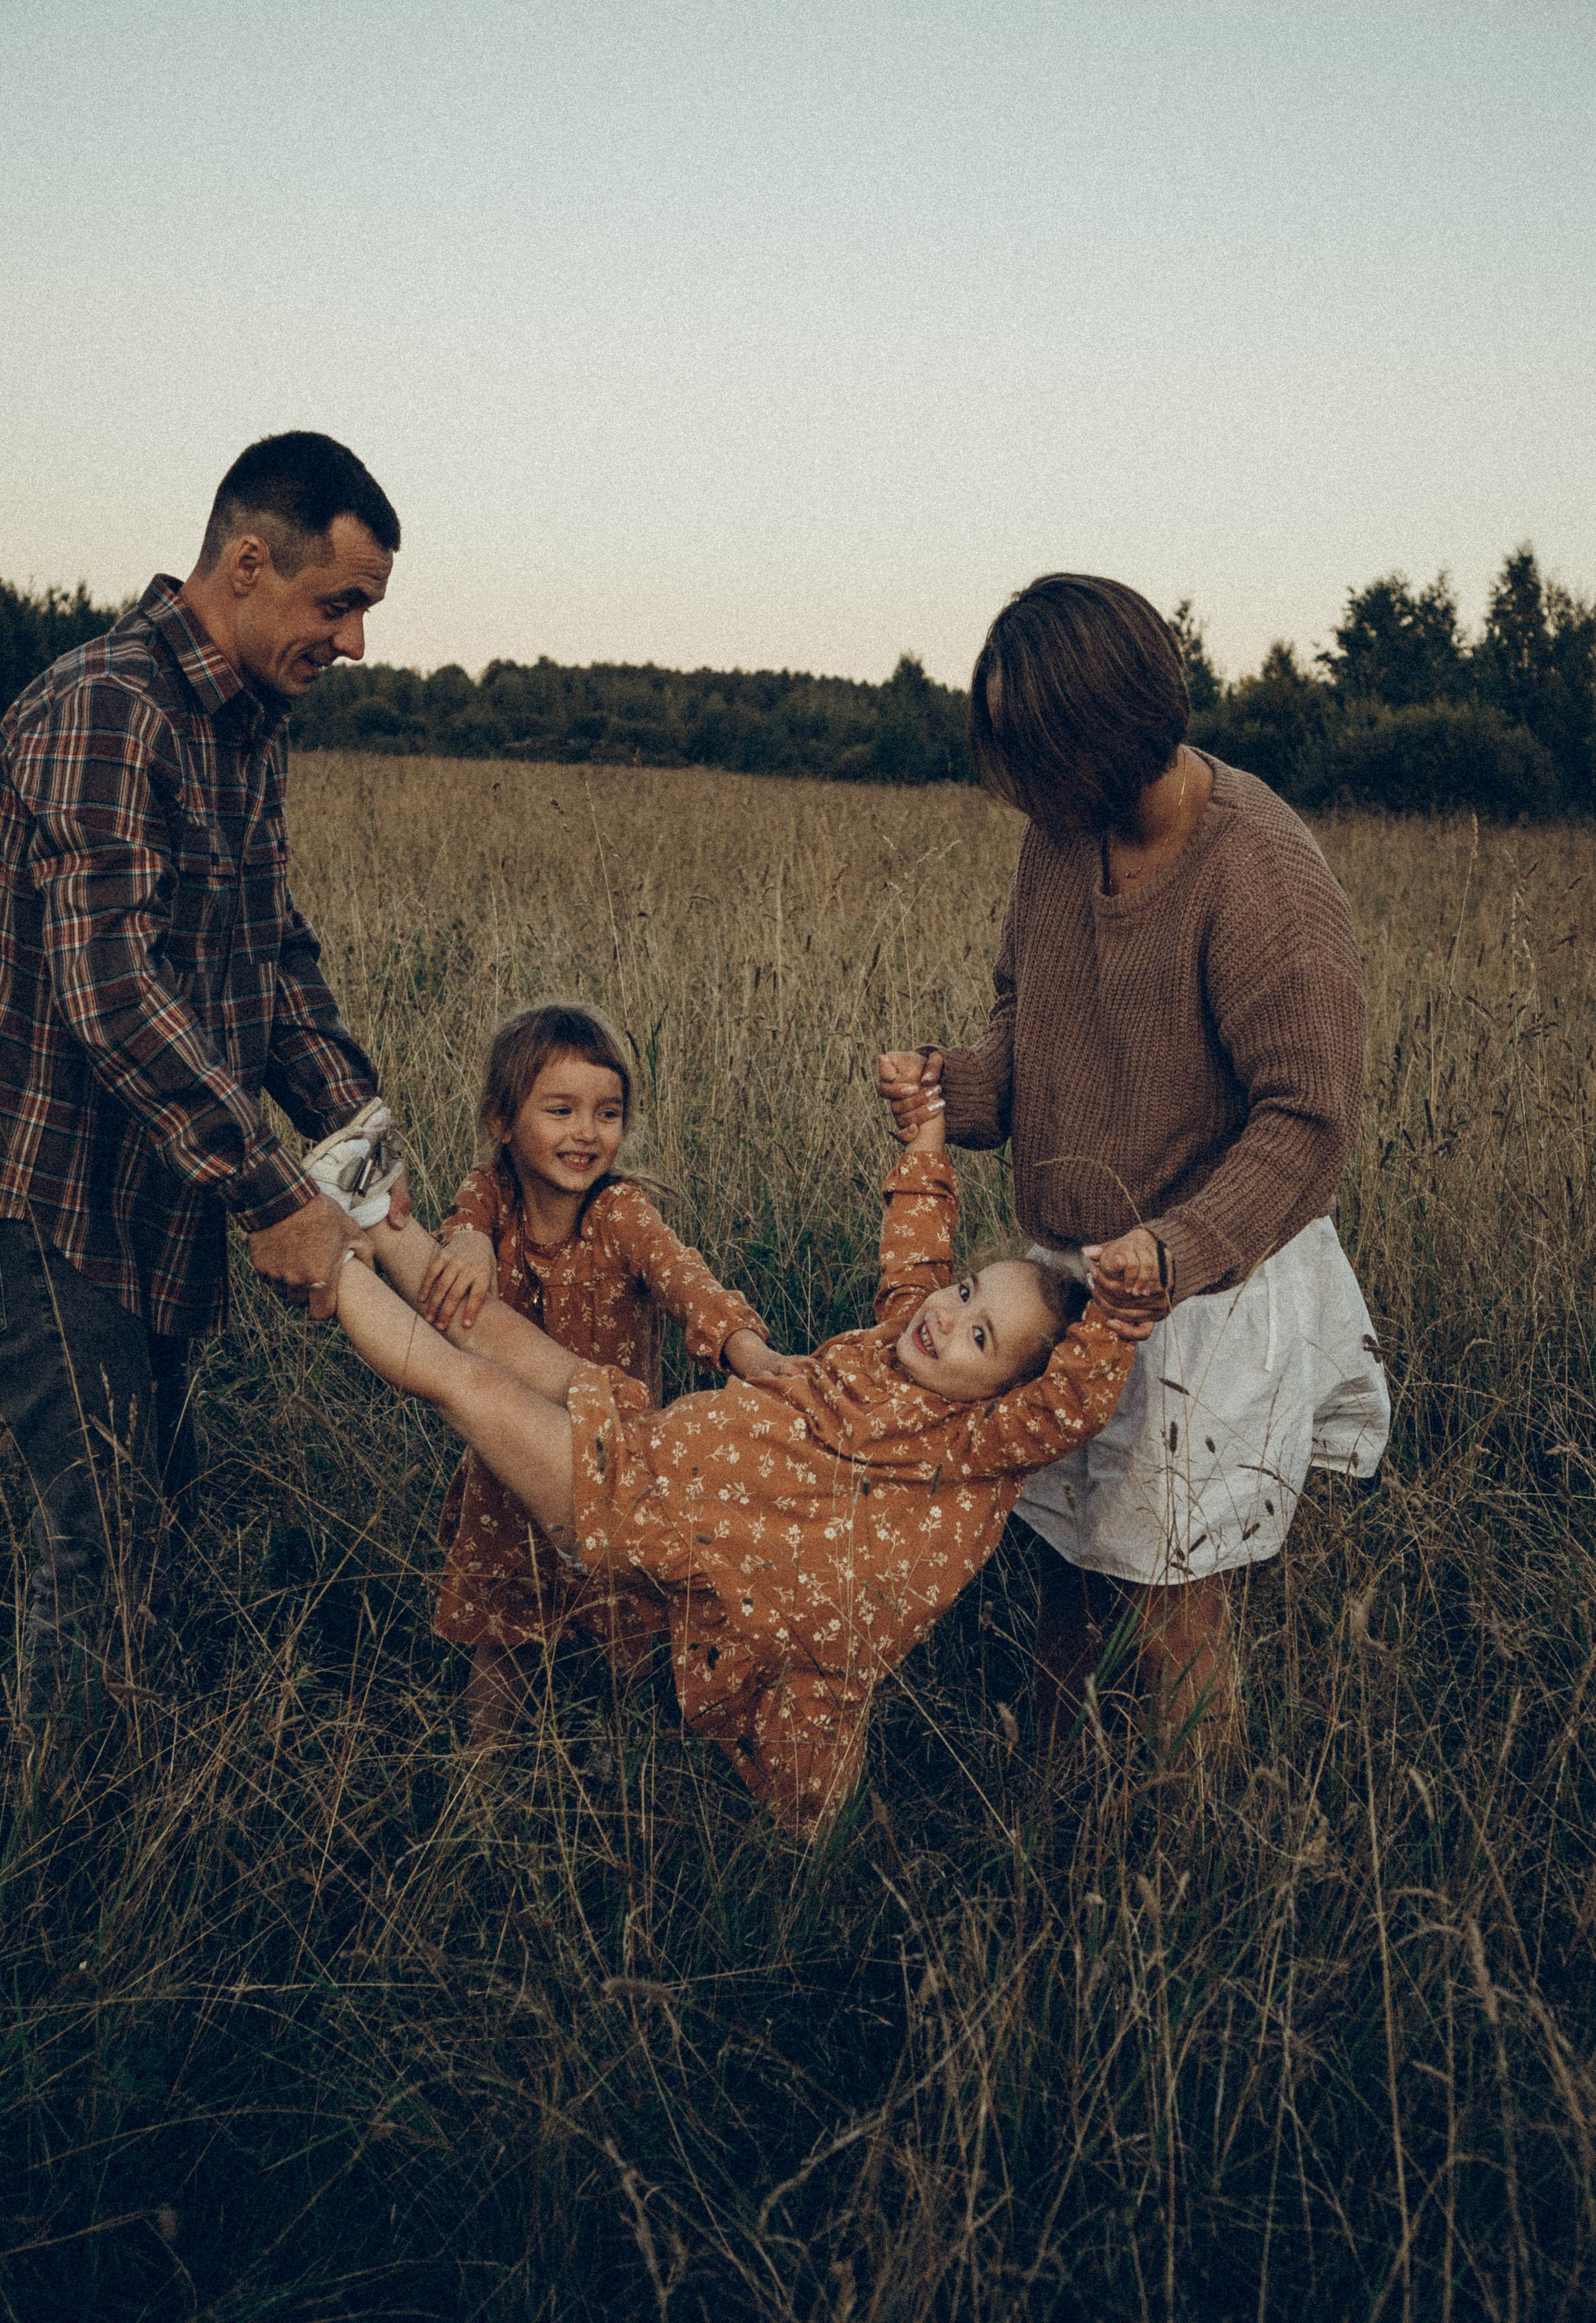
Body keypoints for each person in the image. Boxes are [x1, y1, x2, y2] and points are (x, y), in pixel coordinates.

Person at [311, 1089, 1138, 1833]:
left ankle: (327, 1257)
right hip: (647, 1453)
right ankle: (366, 1201)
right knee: (490, 1336)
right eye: (966, 1293)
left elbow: (1074, 1400)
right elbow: (916, 1250)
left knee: (470, 1386)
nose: (949, 1318)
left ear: (1008, 1398)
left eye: (981, 1337)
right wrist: (924, 1136)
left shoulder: (968, 1443)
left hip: (657, 1522)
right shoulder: (899, 1338)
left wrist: (1119, 1314)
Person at [878, 572, 1389, 1759]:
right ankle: (1055, 1814)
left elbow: (1310, 1119)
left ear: (1105, 732)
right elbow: (1031, 1019)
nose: (1018, 782)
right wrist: (953, 1088)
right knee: (1064, 1576)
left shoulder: (1261, 874)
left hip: (1206, 1299)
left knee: (1170, 1616)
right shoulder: (1061, 836)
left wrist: (1176, 1249)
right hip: (1068, 1283)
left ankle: (1198, 1852)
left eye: (1034, 747)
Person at [0, 430, 408, 1717]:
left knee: (155, 1523)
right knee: (102, 1553)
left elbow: (270, 962)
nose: (356, 642)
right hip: (51, 1203)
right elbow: (112, 992)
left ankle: (128, 1795)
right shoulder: (106, 705)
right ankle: (60, 1834)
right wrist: (276, 1196)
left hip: (156, 1204)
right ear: (246, 565)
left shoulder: (249, 725)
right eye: (338, 604)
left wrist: (371, 1168)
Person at [410, 1000, 796, 1748]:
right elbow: (463, 1221)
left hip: (616, 1458)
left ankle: (624, 1763)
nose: (586, 1133)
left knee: (626, 1623)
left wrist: (751, 1354)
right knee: (502, 1627)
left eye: (607, 1113)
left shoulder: (621, 1214)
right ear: (501, 1120)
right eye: (560, 1111)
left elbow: (687, 1283)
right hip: (512, 1453)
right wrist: (467, 1241)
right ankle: (481, 1777)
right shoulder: (490, 1201)